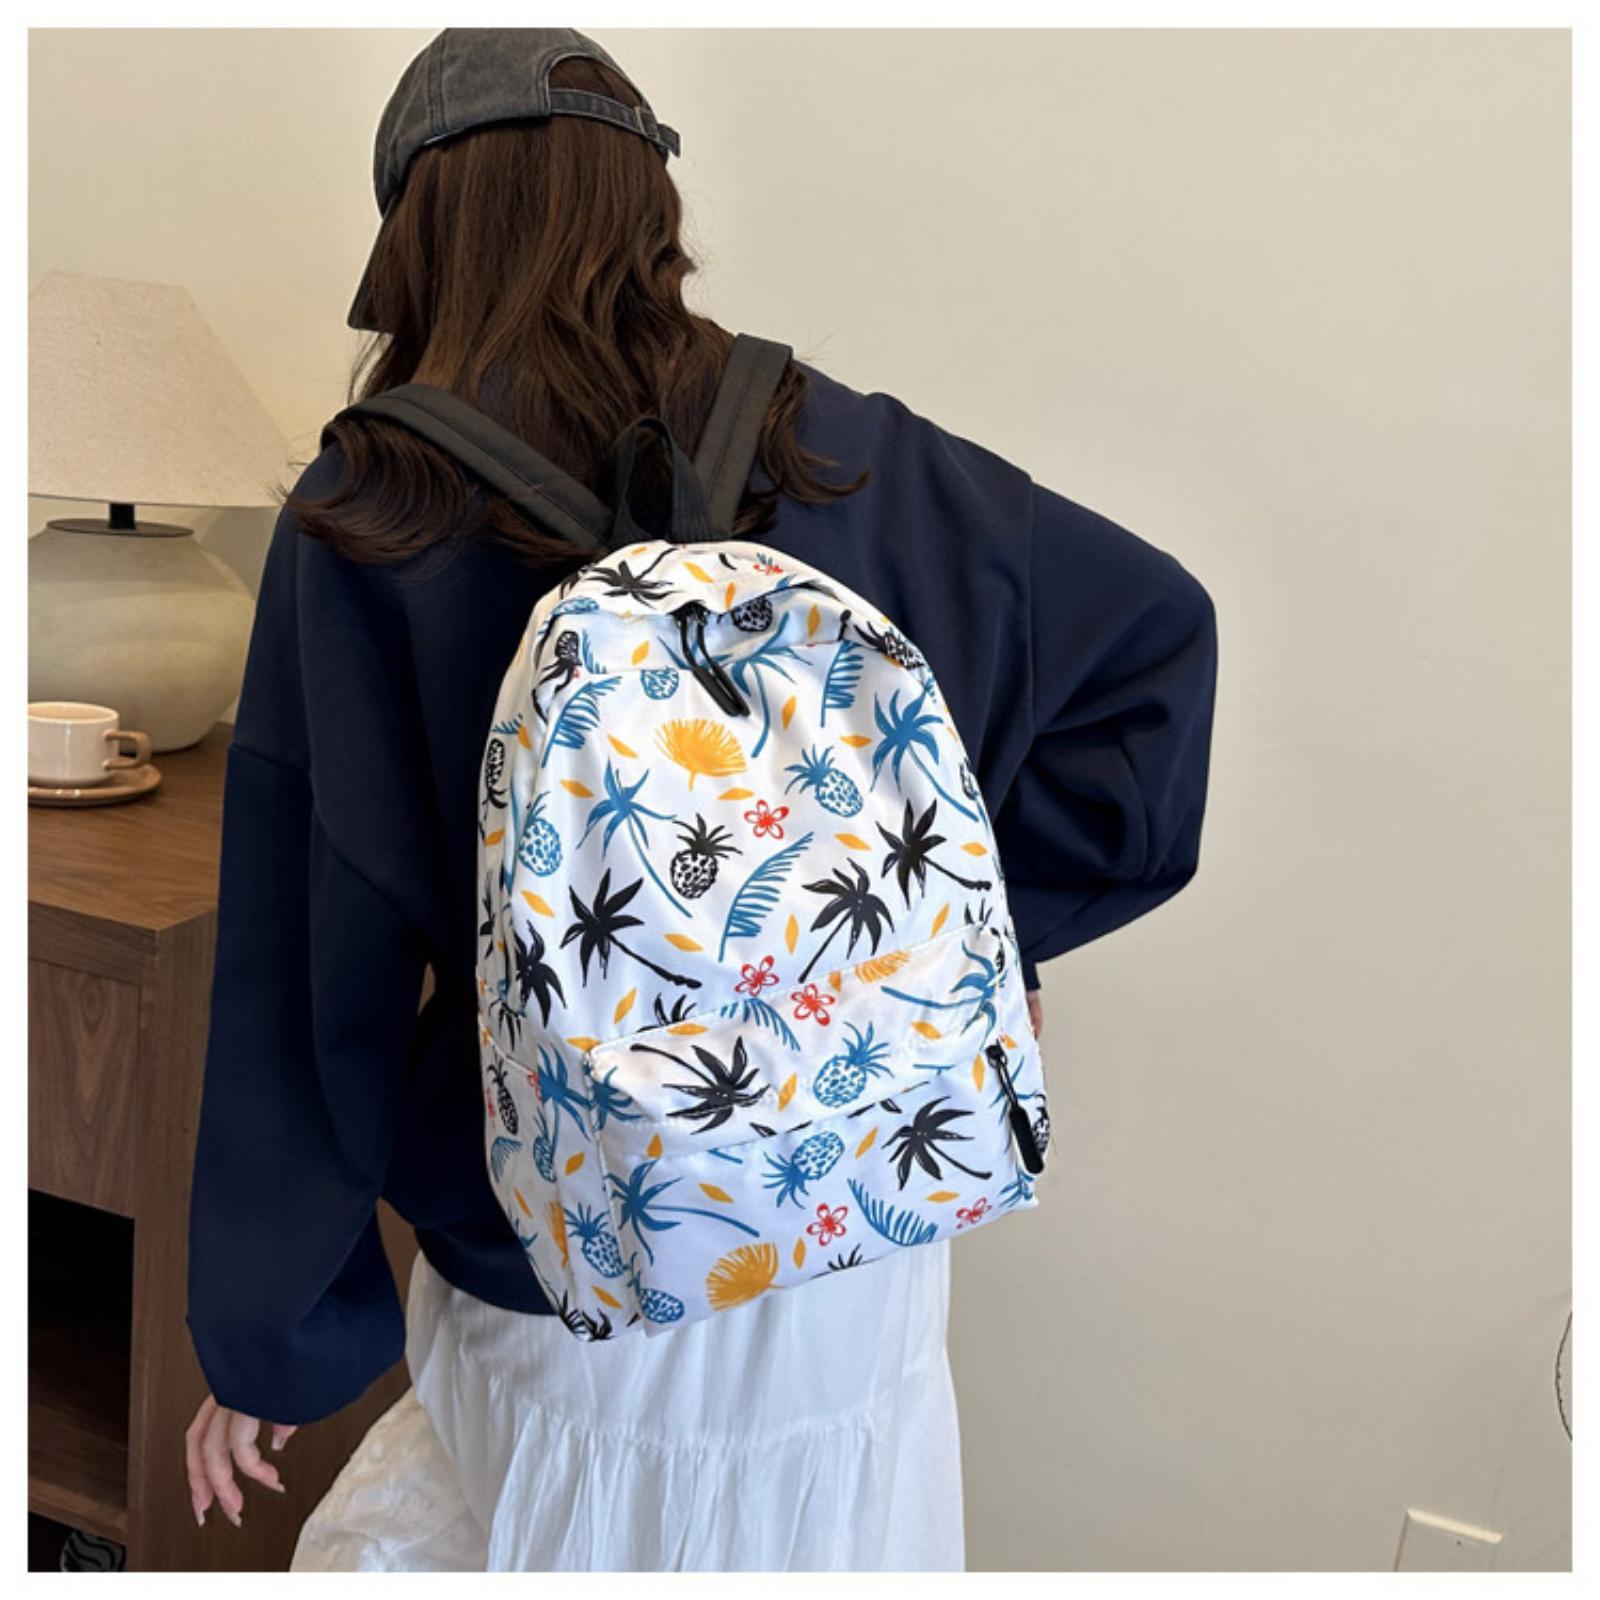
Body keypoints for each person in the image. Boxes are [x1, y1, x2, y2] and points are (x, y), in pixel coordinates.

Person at [182, 28, 1218, 1573]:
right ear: (650, 202)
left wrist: (272, 1333)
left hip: (564, 1251)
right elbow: (1154, 648)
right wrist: (968, 945)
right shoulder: (850, 449)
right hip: (855, 1216)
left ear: (417, 236)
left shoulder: (373, 515)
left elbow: (309, 976)